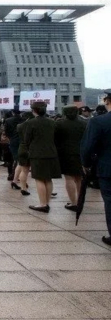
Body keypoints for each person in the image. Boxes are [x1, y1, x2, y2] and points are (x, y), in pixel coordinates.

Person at [81, 90, 111, 246]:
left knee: (110, 201)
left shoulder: (99, 122)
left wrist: (86, 164)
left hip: (107, 168)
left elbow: (88, 146)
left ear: (107, 101)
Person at [25, 101, 62, 213]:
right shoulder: (52, 122)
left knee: (39, 178)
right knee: (48, 179)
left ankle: (42, 204)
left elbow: (27, 139)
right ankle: (47, 202)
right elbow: (56, 138)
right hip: (51, 152)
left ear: (33, 110)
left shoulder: (30, 123)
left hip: (37, 153)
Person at [54, 105, 86, 211]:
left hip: (65, 153)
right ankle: (80, 202)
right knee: (79, 178)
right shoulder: (84, 123)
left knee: (69, 178)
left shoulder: (59, 123)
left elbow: (55, 139)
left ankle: (73, 202)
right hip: (81, 153)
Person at [5, 108, 22, 186]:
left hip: (12, 141)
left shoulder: (8, 120)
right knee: (20, 160)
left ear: (12, 112)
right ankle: (17, 176)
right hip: (22, 141)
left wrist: (10, 138)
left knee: (12, 159)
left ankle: (12, 174)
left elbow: (6, 132)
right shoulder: (23, 119)